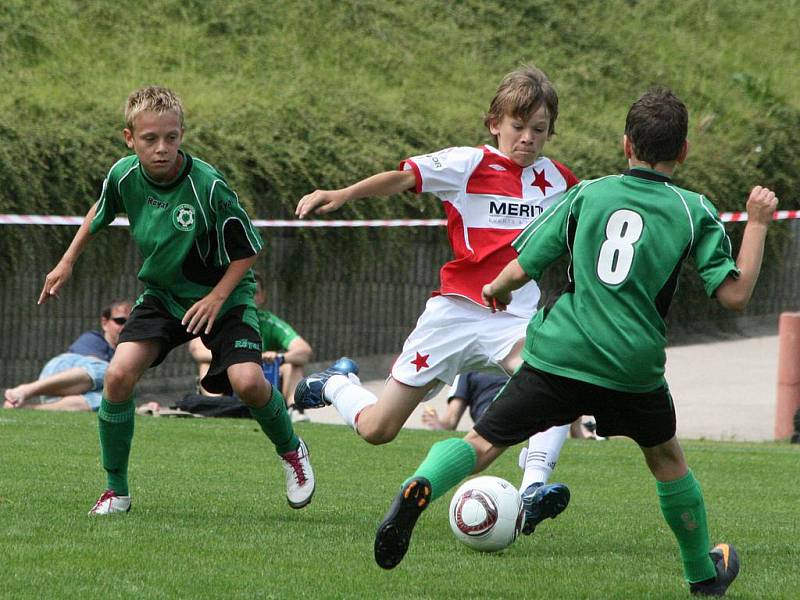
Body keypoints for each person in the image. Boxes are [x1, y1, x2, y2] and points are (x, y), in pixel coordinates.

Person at [373, 87, 778, 597]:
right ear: (685, 151)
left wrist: (496, 289)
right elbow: (735, 296)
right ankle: (702, 574)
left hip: (560, 354)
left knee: (483, 442)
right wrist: (758, 224)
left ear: (625, 144)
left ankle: (423, 488)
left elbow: (522, 266)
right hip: (632, 368)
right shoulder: (693, 209)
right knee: (668, 462)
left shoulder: (587, 193)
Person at [294, 66, 577, 530]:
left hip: (513, 319)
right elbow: (402, 178)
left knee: (550, 380)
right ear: (495, 123)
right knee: (378, 430)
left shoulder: (561, 181)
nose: (527, 138)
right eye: (518, 127)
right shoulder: (469, 163)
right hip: (453, 315)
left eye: (539, 130)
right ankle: (336, 385)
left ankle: (532, 491)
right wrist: (343, 193)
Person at [37, 86, 315, 515]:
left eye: (171, 137)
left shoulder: (208, 185)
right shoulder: (123, 175)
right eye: (150, 139)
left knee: (248, 384)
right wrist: (66, 261)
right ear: (129, 138)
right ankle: (117, 490)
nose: (162, 148)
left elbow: (249, 247)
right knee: (117, 376)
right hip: (164, 297)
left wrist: (217, 297)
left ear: (181, 133)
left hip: (226, 297)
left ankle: (292, 449)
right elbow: (100, 210)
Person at [187, 271, 313, 422]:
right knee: (206, 364)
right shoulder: (218, 319)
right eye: (243, 291)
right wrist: (236, 357)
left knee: (293, 365)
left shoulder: (269, 322)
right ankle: (217, 407)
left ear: (262, 297)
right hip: (228, 376)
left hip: (264, 379)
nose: (249, 297)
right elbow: (196, 349)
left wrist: (280, 357)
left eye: (253, 292)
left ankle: (295, 409)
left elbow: (304, 350)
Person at [4, 299, 132, 411]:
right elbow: (94, 370)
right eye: (120, 321)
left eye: (130, 322)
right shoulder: (93, 339)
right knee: (107, 371)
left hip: (69, 395)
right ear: (105, 323)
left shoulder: (124, 355)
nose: (125, 326)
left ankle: (26, 410)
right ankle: (25, 390)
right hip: (60, 373)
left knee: (110, 402)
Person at [423, 371, 602, 440]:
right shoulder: (468, 369)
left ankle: (581, 432)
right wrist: (438, 424)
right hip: (494, 418)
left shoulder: (522, 357)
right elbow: (451, 420)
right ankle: (583, 433)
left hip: (533, 409)